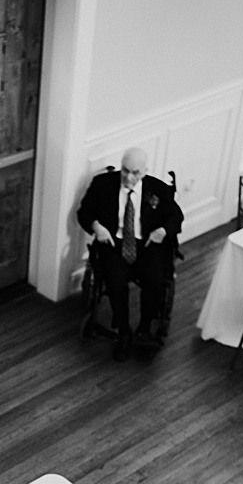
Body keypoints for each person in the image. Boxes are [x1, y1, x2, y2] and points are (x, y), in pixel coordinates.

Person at [76, 147, 184, 360]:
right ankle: (123, 330)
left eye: (135, 172)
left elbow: (176, 217)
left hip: (147, 244)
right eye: (125, 170)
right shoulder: (103, 184)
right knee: (115, 282)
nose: (129, 177)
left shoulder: (158, 189)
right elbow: (84, 212)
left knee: (155, 279)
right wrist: (96, 226)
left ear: (144, 172)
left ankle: (144, 328)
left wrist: (163, 231)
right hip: (114, 243)